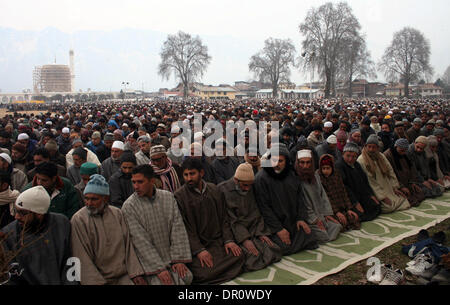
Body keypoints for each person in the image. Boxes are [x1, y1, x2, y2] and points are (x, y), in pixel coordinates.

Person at [174, 158, 245, 284]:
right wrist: (200, 250)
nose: (189, 178)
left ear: (201, 173)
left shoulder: (214, 190)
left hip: (217, 243)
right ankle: (223, 271)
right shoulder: (179, 196)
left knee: (239, 255)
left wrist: (228, 241)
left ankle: (219, 272)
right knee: (200, 273)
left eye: (192, 174)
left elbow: (224, 218)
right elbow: (184, 229)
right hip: (198, 246)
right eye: (186, 175)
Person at [122, 165, 193, 285]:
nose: (136, 186)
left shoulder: (168, 197)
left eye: (140, 182)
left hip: (171, 257)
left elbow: (177, 229)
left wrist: (179, 259)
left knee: (186, 277)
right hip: (150, 265)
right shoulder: (129, 206)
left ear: (152, 181)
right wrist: (159, 268)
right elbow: (140, 242)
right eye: (133, 182)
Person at [70, 174, 147, 285]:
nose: (89, 203)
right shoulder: (78, 220)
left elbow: (128, 246)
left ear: (105, 198)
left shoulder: (117, 214)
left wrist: (136, 273)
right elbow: (81, 257)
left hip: (124, 276)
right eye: (86, 198)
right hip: (98, 279)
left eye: (94, 199)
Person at [253, 144, 318, 255]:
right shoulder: (261, 178)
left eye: (280, 161)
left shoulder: (291, 175)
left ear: (286, 162)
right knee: (283, 246)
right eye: (274, 160)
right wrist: (278, 229)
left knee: (310, 236)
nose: (276, 164)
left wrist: (301, 219)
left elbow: (300, 200)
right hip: (273, 225)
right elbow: (264, 208)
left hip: (292, 222)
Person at [0, 186, 74, 285]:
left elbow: (71, 262)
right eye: (16, 211)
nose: (17, 217)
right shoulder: (9, 235)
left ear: (39, 213)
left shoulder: (61, 225)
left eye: (22, 213)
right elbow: (10, 277)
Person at [218, 163, 282, 272]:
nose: (248, 188)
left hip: (253, 228)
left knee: (273, 248)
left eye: (250, 185)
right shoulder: (223, 190)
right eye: (245, 185)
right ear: (236, 180)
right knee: (252, 256)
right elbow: (230, 220)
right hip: (235, 233)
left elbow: (255, 211)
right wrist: (244, 239)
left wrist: (260, 232)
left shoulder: (250, 188)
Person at [295, 150, 342, 243]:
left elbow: (323, 195)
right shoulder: (296, 179)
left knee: (337, 226)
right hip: (309, 219)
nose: (305, 166)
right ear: (298, 163)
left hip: (321, 215)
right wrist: (315, 220)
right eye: (302, 162)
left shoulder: (315, 176)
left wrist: (327, 214)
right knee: (323, 235)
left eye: (308, 162)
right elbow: (303, 203)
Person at [357, 135, 410, 214]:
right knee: (388, 207)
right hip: (375, 191)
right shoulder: (361, 160)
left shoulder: (381, 156)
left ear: (377, 147)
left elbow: (390, 171)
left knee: (405, 200)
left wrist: (395, 187)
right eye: (369, 147)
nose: (371, 149)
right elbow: (370, 181)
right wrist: (382, 197)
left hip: (387, 186)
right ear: (365, 146)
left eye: (374, 147)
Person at [318, 154, 361, 231]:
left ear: (332, 168)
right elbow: (327, 198)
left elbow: (343, 192)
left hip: (343, 207)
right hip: (331, 211)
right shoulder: (320, 179)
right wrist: (336, 212)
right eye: (323, 168)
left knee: (354, 218)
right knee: (340, 224)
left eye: (328, 168)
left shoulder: (336, 175)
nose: (325, 171)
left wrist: (348, 208)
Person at [383, 138, 425, 207]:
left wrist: (412, 182)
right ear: (396, 147)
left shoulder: (405, 153)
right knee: (407, 199)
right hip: (396, 185)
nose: (403, 153)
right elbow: (390, 174)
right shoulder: (387, 155)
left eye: (405, 151)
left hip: (407, 182)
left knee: (421, 193)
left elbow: (411, 169)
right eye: (401, 150)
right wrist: (401, 186)